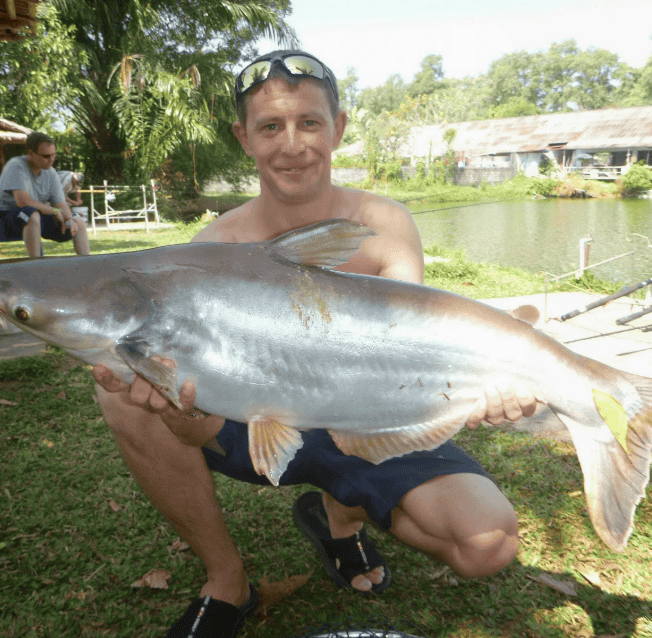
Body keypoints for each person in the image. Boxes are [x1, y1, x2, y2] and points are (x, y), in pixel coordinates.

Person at [93, 50, 537, 638]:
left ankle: (340, 514)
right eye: (270, 127)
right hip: (256, 417)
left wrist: (475, 390)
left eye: (309, 123)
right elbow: (196, 407)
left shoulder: (386, 222)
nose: (292, 145)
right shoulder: (214, 246)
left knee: (489, 544)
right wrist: (183, 404)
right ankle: (227, 579)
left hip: (368, 411)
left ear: (339, 129)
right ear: (244, 138)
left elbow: (405, 353)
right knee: (122, 391)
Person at [0, 132, 90, 257]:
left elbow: (60, 203)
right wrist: (54, 211)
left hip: (35, 218)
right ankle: (36, 266)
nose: (51, 159)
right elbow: (23, 201)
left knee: (78, 221)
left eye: (53, 154)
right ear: (31, 154)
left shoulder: (51, 173)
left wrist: (69, 219)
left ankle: (88, 270)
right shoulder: (16, 166)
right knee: (32, 215)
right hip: (3, 220)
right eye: (46, 156)